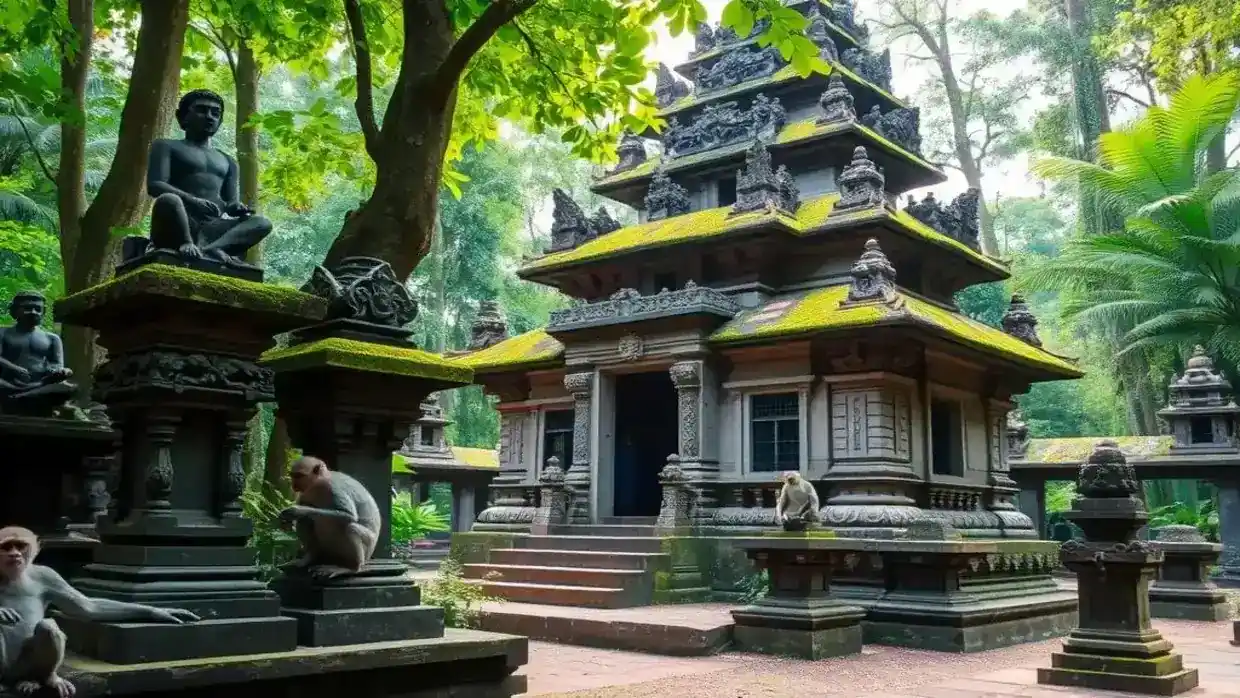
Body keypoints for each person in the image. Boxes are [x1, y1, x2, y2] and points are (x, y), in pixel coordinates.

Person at [144, 89, 272, 266]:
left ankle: (212, 249)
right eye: (201, 110)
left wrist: (237, 208)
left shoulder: (228, 160)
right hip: (177, 221)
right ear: (183, 117)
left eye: (215, 113)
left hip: (213, 227)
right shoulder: (166, 146)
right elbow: (155, 185)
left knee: (262, 223)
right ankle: (187, 243)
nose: (210, 116)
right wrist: (193, 201)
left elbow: (230, 202)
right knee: (169, 199)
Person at [0, 291, 75, 416]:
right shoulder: (3, 332)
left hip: (40, 384)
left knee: (69, 388)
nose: (33, 312)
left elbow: (56, 364)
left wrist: (60, 372)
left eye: (38, 309)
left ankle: (20, 397)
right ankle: (23, 397)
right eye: (28, 308)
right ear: (14, 311)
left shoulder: (52, 338)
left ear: (43, 312)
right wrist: (15, 368)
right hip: (8, 383)